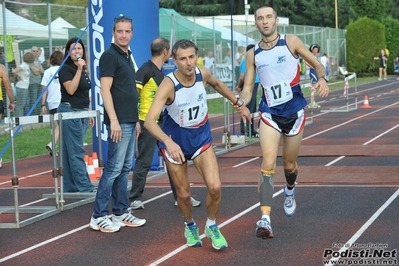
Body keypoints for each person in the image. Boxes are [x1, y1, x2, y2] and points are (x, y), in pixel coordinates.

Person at [144, 39, 250, 249]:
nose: (189, 63)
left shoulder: (203, 74)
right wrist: (167, 142)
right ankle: (190, 225)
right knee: (183, 194)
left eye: (192, 57)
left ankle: (211, 224)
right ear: (174, 61)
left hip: (201, 140)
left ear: (197, 56)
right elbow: (149, 121)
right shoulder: (168, 84)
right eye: (183, 59)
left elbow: (218, 85)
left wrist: (238, 103)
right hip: (175, 144)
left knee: (216, 187)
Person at [237, 5, 329, 240]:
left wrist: (323, 79)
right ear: (256, 23)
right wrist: (241, 101)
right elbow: (248, 89)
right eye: (260, 18)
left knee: (289, 165)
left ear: (276, 21)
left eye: (269, 17)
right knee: (268, 162)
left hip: (295, 112)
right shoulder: (252, 54)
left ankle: (289, 189)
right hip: (269, 113)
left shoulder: (291, 42)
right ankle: (265, 218)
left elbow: (317, 65)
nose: (265, 21)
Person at [90, 15, 146, 233]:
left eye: (127, 31)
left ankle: (121, 211)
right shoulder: (109, 56)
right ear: (113, 32)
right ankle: (99, 215)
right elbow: (105, 90)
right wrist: (114, 120)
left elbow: (128, 90)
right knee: (113, 169)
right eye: (120, 31)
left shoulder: (127, 55)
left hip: (129, 121)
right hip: (118, 122)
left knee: (124, 169)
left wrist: (136, 121)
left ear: (132, 33)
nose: (124, 35)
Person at [129, 37, 200, 210]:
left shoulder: (164, 75)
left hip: (166, 124)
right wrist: (137, 121)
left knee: (175, 160)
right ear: (166, 52)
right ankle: (135, 198)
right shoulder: (145, 71)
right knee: (144, 161)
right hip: (149, 123)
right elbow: (133, 97)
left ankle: (181, 197)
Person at [58, 37, 95, 193]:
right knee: (76, 151)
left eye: (79, 48)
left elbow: (84, 92)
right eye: (73, 49)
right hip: (69, 111)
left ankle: (70, 187)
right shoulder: (66, 69)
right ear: (68, 52)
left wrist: (88, 112)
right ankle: (85, 186)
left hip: (82, 111)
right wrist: (79, 70)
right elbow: (71, 90)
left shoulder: (84, 68)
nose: (77, 51)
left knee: (69, 152)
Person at [41, 50, 63, 156]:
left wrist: (43, 104)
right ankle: (52, 143)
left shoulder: (47, 72)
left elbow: (44, 89)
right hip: (62, 101)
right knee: (62, 125)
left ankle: (57, 147)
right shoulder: (64, 69)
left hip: (52, 102)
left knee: (60, 125)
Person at [235, 44, 260, 137]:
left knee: (253, 108)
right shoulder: (245, 61)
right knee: (247, 107)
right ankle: (244, 130)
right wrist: (239, 86)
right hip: (248, 86)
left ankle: (251, 129)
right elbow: (242, 76)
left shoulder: (254, 60)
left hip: (255, 83)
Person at [12, 52, 35, 117]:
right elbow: (14, 71)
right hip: (21, 87)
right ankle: (19, 120)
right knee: (20, 104)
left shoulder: (26, 65)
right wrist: (19, 76)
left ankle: (20, 118)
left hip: (25, 87)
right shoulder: (24, 65)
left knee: (22, 104)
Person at [29, 46, 44, 115]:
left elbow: (42, 71)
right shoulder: (30, 60)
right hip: (33, 83)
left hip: (39, 82)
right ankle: (32, 115)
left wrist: (38, 70)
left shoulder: (37, 60)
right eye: (33, 51)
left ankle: (38, 115)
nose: (35, 53)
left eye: (36, 51)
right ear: (31, 52)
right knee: (33, 100)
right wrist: (38, 70)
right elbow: (35, 72)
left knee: (38, 100)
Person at [307, 44, 321, 108]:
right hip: (312, 72)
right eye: (315, 49)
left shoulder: (315, 56)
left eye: (317, 49)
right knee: (313, 87)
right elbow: (306, 62)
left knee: (314, 87)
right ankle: (312, 102)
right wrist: (312, 67)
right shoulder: (311, 56)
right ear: (312, 50)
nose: (316, 51)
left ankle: (313, 102)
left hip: (315, 72)